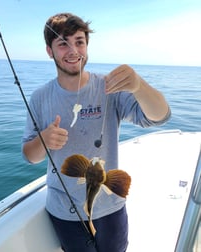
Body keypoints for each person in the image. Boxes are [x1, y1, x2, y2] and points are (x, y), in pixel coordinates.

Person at [22, 13, 171, 252]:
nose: (73, 50)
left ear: (87, 46)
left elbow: (159, 116)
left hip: (111, 206)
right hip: (64, 210)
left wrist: (139, 86)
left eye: (79, 41)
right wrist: (43, 140)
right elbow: (30, 156)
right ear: (50, 51)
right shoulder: (40, 97)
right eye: (63, 43)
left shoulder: (110, 87)